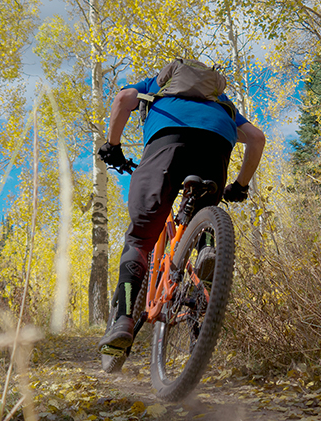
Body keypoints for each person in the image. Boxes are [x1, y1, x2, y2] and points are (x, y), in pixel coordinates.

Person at [96, 60, 266, 354]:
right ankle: (207, 245)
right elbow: (256, 138)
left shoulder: (155, 85)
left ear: (170, 76)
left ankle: (122, 321)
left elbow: (123, 100)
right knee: (202, 211)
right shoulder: (220, 102)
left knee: (140, 238)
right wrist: (239, 185)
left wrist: (113, 146)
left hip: (167, 143)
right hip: (216, 147)